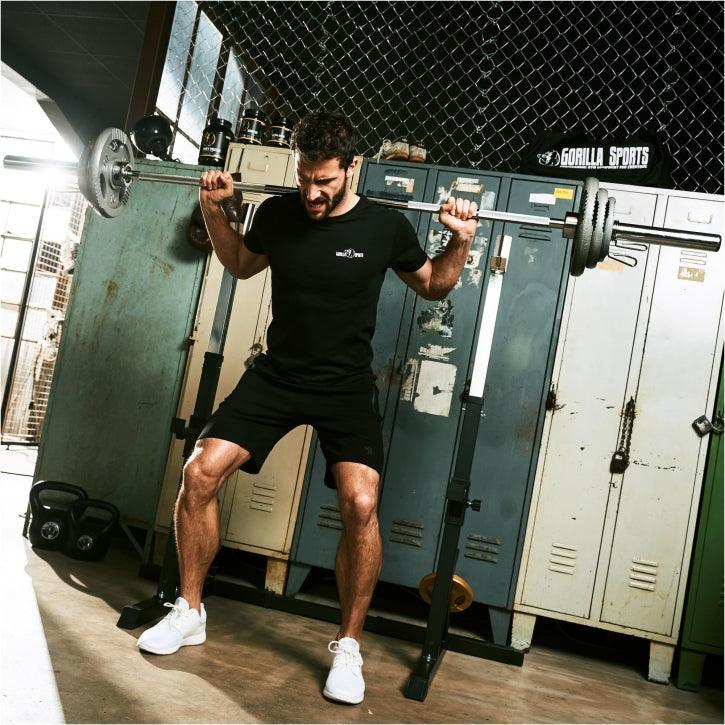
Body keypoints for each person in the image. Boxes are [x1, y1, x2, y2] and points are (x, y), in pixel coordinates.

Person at [137, 112, 478, 705]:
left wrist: (461, 239)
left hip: (345, 385)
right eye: (304, 179)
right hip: (279, 375)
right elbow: (240, 264)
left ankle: (348, 645)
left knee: (361, 504)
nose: (312, 193)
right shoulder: (277, 214)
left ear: (352, 168)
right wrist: (215, 211)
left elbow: (434, 286)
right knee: (199, 473)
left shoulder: (385, 227)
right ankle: (189, 610)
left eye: (324, 181)